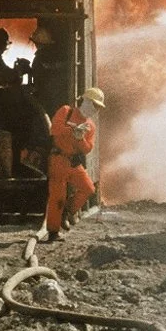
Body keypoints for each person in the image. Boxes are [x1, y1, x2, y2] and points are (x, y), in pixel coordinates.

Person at [45, 87, 106, 242]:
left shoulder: (90, 126)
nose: (95, 109)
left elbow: (87, 149)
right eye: (94, 105)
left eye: (98, 107)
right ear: (85, 101)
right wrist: (73, 131)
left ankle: (66, 212)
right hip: (58, 159)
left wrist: (80, 138)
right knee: (57, 196)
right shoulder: (66, 111)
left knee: (88, 188)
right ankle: (53, 232)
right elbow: (54, 130)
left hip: (72, 161)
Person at [29, 26, 67, 117]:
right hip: (57, 97)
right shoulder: (55, 56)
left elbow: (38, 79)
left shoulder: (39, 58)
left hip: (45, 98)